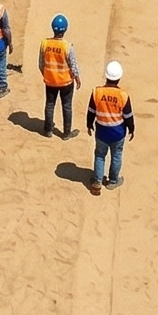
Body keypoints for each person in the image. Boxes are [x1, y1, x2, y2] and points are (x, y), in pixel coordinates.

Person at [88, 62, 134, 193]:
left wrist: (89, 124)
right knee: (116, 156)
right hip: (118, 133)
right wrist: (132, 129)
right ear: (119, 78)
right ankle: (113, 181)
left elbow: (91, 110)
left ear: (106, 76)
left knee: (100, 155)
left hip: (101, 131)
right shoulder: (123, 95)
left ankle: (97, 182)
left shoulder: (97, 92)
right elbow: (128, 115)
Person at [39, 15, 80, 138]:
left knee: (50, 104)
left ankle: (48, 130)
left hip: (50, 81)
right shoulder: (67, 46)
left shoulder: (45, 43)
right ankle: (66, 133)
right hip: (65, 82)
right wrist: (77, 77)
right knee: (66, 106)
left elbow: (41, 63)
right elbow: (73, 65)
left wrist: (47, 75)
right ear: (65, 29)